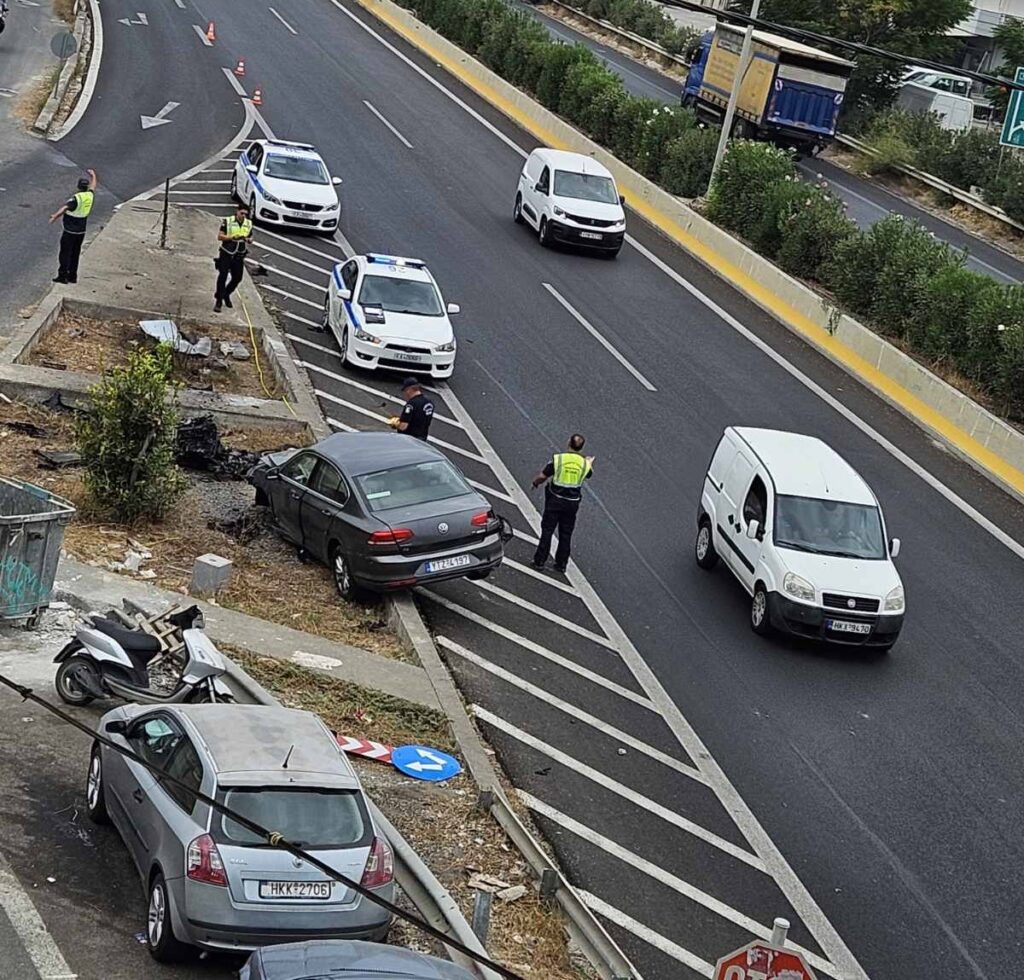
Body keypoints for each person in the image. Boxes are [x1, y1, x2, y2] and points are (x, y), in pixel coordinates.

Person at [531, 434, 594, 573]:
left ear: (568, 443)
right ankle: (561, 564)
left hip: (555, 500)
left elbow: (543, 476)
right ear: (582, 448)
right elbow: (588, 475)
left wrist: (535, 483)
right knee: (566, 533)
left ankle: (539, 561)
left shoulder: (559, 459)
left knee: (547, 530)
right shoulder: (584, 464)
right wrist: (589, 462)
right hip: (572, 504)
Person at [49, 168, 97, 284]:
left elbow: (65, 207)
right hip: (81, 231)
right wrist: (93, 175)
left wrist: (55, 216)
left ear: (78, 187)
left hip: (70, 231)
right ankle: (72, 276)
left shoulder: (77, 198)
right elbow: (94, 185)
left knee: (65, 254)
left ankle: (62, 276)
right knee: (75, 254)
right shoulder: (89, 196)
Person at [214, 204, 253, 312]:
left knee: (237, 278)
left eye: (246, 214)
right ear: (237, 211)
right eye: (242, 213)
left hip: (239, 254)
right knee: (223, 276)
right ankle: (219, 300)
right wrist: (231, 237)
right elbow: (220, 236)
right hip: (227, 252)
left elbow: (250, 236)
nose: (243, 216)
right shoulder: (228, 221)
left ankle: (226, 294)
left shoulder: (248, 223)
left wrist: (248, 240)